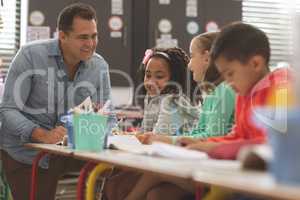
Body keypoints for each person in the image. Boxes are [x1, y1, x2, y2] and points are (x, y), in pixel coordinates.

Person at [0, 3, 114, 200]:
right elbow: (8, 110)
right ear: (62, 36)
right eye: (83, 37)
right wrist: (41, 134)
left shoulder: (99, 66)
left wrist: (99, 129)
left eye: (94, 36)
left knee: (117, 174)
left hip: (67, 152)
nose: (91, 43)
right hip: (25, 153)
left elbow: (107, 113)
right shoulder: (30, 56)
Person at [139, 32, 235, 145]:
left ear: (207, 59)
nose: (189, 65)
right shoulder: (213, 93)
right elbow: (199, 132)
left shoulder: (224, 91)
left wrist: (168, 140)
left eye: (192, 56)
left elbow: (213, 136)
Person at [140, 47, 199, 135]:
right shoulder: (151, 98)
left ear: (175, 78)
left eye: (159, 76)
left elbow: (157, 137)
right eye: (148, 75)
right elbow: (144, 132)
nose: (151, 82)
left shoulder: (172, 101)